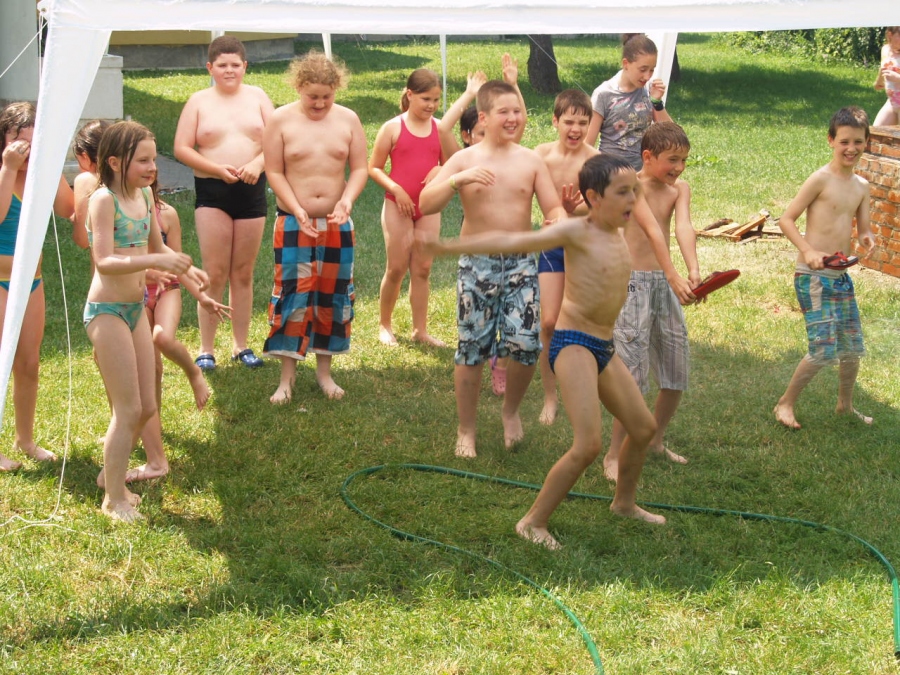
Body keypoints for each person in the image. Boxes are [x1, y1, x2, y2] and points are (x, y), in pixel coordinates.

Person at [424, 154, 666, 549]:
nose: (632, 200)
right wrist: (447, 245)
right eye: (623, 192)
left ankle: (623, 503)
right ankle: (532, 522)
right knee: (587, 445)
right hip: (574, 344)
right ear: (595, 197)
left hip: (603, 345)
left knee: (642, 428)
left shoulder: (614, 226)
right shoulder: (577, 231)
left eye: (634, 191)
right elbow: (513, 241)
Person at [420, 79, 567, 458]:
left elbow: (553, 206)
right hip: (477, 265)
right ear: (484, 118)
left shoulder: (530, 160)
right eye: (505, 111)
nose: (513, 117)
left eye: (517, 110)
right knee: (471, 349)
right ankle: (466, 429)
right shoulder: (464, 160)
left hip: (521, 264)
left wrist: (556, 219)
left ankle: (510, 411)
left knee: (525, 345)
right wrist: (457, 180)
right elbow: (426, 202)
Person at [85, 120, 208, 522]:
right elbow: (105, 260)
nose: (153, 167)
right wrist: (154, 260)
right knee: (128, 408)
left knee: (147, 406)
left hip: (135, 308)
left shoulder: (141, 197)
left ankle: (110, 475)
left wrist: (189, 272)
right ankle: (114, 500)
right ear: (115, 162)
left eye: (154, 159)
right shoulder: (104, 200)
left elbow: (158, 247)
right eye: (143, 160)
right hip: (107, 312)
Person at [261, 51, 368, 404]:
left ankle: (325, 373)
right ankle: (286, 378)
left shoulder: (349, 119)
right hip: (294, 222)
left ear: (336, 89)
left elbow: (360, 168)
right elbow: (274, 171)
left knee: (333, 295)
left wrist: (346, 201)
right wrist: (296, 208)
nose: (320, 103)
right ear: (298, 87)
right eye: (312, 97)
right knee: (292, 294)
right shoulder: (280, 120)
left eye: (327, 96)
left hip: (337, 222)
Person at [603, 122, 700, 481]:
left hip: (664, 284)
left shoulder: (679, 190)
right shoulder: (631, 185)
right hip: (631, 285)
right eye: (672, 160)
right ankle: (614, 454)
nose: (679, 168)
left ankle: (655, 440)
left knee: (676, 369)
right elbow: (651, 231)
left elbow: (682, 228)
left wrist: (693, 269)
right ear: (648, 156)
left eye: (684, 160)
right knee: (631, 376)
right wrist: (674, 274)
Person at [174, 35, 274, 372]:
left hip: (251, 190)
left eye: (235, 64)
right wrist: (216, 169)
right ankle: (206, 348)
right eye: (222, 65)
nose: (229, 70)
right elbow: (182, 147)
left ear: (245, 66)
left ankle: (240, 345)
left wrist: (258, 164)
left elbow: (277, 140)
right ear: (210, 68)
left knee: (243, 272)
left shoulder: (258, 97)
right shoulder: (198, 102)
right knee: (214, 272)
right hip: (212, 193)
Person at [774, 106, 876, 430]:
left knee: (852, 348)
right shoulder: (820, 179)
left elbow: (864, 228)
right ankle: (785, 403)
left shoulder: (861, 186)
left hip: (840, 275)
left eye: (858, 141)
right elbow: (786, 220)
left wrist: (867, 239)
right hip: (813, 276)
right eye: (844, 141)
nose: (851, 148)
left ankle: (845, 406)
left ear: (867, 142)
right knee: (822, 349)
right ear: (831, 140)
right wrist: (807, 250)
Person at [129, 179, 231, 482]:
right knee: (149, 366)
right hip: (134, 291)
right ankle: (151, 425)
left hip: (167, 290)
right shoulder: (120, 210)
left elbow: (177, 263)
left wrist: (201, 296)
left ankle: (193, 372)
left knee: (161, 337)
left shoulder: (167, 215)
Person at [0, 102, 74, 472]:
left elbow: (67, 209)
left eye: (34, 143)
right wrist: (8, 168)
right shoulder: (4, 172)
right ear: (5, 139)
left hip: (32, 281)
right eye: (20, 142)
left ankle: (24, 439)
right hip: (1, 283)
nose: (27, 151)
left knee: (28, 363)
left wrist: (52, 164)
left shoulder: (40, 174)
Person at [534, 89, 599, 424]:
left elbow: (604, 208)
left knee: (579, 324)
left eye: (583, 123)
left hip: (584, 249)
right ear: (555, 121)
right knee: (548, 322)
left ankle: (581, 388)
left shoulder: (595, 160)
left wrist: (575, 210)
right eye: (569, 122)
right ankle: (550, 396)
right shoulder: (540, 155)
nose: (576, 129)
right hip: (552, 246)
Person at [369, 68, 447, 347]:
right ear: (410, 95)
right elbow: (374, 167)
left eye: (436, 100)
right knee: (397, 267)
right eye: (426, 99)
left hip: (428, 207)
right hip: (397, 205)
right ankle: (385, 324)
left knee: (423, 268)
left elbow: (454, 162)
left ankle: (420, 330)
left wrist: (440, 169)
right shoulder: (393, 127)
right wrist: (396, 189)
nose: (431, 105)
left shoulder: (440, 129)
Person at [586, 33, 673, 170]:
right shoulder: (604, 94)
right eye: (643, 69)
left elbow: (671, 134)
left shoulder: (648, 91)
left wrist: (656, 101)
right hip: (611, 172)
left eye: (652, 70)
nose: (647, 76)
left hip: (642, 172)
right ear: (626, 64)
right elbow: (587, 143)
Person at [72, 119, 110, 252]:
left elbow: (83, 239)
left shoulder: (86, 179)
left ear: (85, 157)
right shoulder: (133, 178)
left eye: (78, 160)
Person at [873, 27, 900, 127]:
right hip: (892, 102)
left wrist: (897, 78)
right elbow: (883, 67)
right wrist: (879, 81)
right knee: (876, 132)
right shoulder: (885, 50)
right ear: (890, 34)